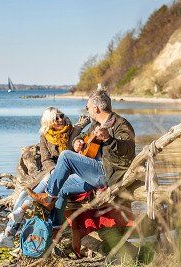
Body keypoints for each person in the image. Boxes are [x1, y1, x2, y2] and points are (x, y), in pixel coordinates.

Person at [27, 90, 136, 232]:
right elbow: (83, 136)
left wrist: (109, 139)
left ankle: (49, 197)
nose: (87, 110)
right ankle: (56, 227)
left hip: (110, 173)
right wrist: (78, 142)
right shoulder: (96, 124)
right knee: (62, 186)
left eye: (87, 107)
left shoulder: (121, 124)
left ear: (96, 108)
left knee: (65, 156)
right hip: (95, 173)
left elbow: (128, 150)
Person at [0, 107, 89, 248]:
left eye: (61, 115)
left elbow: (79, 149)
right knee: (24, 193)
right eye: (56, 118)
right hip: (50, 172)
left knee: (35, 190)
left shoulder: (72, 131)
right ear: (49, 122)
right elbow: (45, 159)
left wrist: (78, 145)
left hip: (70, 173)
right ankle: (8, 235)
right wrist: (54, 170)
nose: (60, 119)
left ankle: (11, 231)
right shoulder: (45, 136)